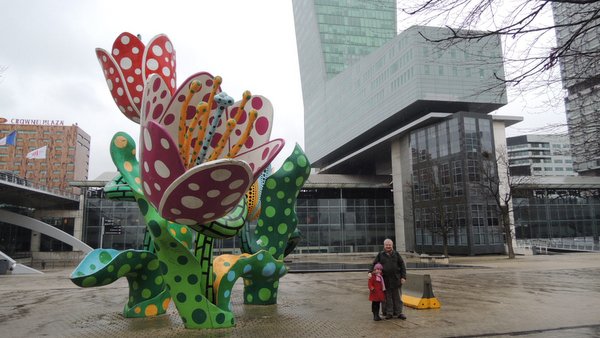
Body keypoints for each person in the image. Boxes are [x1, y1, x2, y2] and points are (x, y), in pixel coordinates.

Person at [371, 238, 407, 320]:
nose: (388, 246)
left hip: (396, 280)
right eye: (386, 245)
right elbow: (374, 264)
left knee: (397, 297)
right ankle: (389, 313)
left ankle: (399, 313)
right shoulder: (380, 254)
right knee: (387, 298)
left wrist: (403, 277)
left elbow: (402, 266)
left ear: (392, 245)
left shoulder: (396, 254)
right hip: (385, 280)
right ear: (384, 246)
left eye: (389, 245)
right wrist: (370, 272)